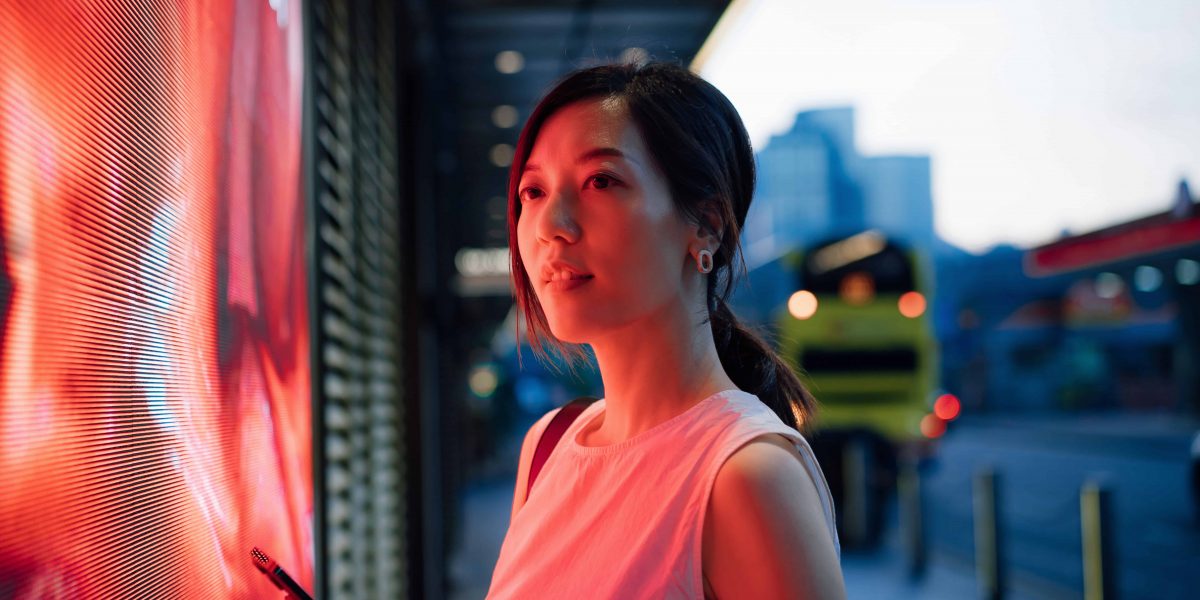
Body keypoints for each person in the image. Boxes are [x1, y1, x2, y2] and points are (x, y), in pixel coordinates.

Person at [487, 61, 846, 599]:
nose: (551, 226)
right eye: (533, 192)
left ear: (705, 225)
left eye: (600, 181)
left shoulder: (745, 476)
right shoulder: (548, 447)